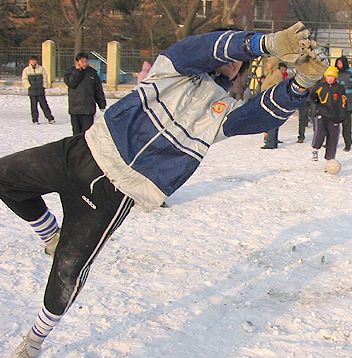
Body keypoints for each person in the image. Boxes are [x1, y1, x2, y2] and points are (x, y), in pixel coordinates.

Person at [2, 22, 327, 357]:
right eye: (229, 53)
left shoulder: (222, 113)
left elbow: (259, 115)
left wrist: (300, 84)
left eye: (237, 62)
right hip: (80, 151)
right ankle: (49, 234)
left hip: (111, 192)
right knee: (4, 177)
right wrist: (266, 42)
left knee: (68, 271)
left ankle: (34, 340)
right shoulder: (173, 66)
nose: (232, 62)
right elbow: (202, 49)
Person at [310, 66, 347, 162]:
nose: (330, 78)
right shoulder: (320, 86)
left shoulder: (340, 88)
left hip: (334, 117)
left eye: (332, 76)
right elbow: (312, 96)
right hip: (321, 114)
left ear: (336, 77)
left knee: (333, 138)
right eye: (328, 76)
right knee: (320, 133)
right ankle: (315, 149)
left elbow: (343, 103)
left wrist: (341, 117)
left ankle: (330, 159)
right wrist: (316, 102)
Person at [64, 52, 106, 135]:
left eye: (86, 61)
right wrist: (77, 71)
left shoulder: (92, 73)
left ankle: (85, 148)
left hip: (88, 109)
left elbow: (98, 90)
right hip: (75, 108)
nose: (84, 63)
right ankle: (76, 148)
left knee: (87, 133)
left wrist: (102, 104)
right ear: (77, 62)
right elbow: (71, 84)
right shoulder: (70, 72)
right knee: (76, 133)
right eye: (82, 61)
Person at [21, 56, 55, 125]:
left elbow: (45, 77)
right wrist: (29, 87)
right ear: (29, 61)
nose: (33, 62)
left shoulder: (41, 69)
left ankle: (50, 118)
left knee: (44, 105)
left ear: (37, 61)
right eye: (32, 60)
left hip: (40, 90)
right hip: (32, 91)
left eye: (34, 60)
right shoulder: (26, 70)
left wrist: (44, 86)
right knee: (33, 106)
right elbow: (24, 79)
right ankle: (35, 119)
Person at [261, 56, 284, 149]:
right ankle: (272, 141)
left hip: (273, 100)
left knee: (271, 120)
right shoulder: (271, 73)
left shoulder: (277, 74)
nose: (267, 65)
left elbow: (275, 87)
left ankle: (271, 142)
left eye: (269, 63)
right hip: (267, 99)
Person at [335, 55, 352, 152]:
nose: (339, 65)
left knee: (346, 124)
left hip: (348, 100)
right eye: (338, 63)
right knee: (333, 124)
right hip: (336, 100)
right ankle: (330, 142)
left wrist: (344, 85)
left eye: (341, 63)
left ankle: (348, 143)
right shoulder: (335, 72)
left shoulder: (350, 71)